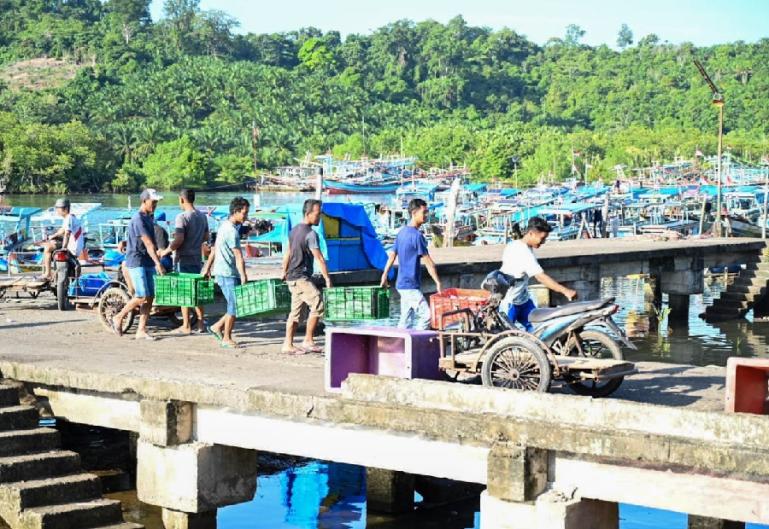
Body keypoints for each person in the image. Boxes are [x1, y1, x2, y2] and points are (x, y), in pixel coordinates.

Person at [500, 217, 577, 332]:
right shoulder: (522, 251)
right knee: (505, 338)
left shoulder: (516, 245)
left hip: (524, 300)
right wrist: (565, 291)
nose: (543, 242)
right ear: (531, 234)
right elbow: (540, 277)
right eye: (542, 238)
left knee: (538, 331)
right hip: (509, 302)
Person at [112, 189, 166, 340]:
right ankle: (119, 316)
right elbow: (148, 243)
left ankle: (141, 329)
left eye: (156, 202)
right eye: (153, 202)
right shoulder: (138, 219)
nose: (155, 205)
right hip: (136, 261)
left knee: (150, 297)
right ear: (144, 201)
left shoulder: (149, 217)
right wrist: (158, 263)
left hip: (147, 260)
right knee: (141, 295)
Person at [380, 198, 442, 330]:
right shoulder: (416, 236)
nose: (426, 215)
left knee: (405, 321)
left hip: (402, 284)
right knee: (427, 316)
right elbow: (429, 262)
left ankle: (399, 346)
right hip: (409, 285)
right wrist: (437, 282)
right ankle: (416, 342)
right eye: (424, 212)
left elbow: (392, 255)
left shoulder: (401, 232)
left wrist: (384, 275)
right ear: (414, 213)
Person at [281, 199, 331, 354]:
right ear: (308, 214)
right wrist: (328, 279)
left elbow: (287, 253)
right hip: (300, 277)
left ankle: (287, 345)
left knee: (295, 313)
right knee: (318, 304)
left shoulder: (294, 230)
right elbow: (320, 258)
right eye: (317, 214)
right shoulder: (311, 234)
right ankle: (308, 341)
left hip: (292, 277)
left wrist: (284, 271)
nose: (319, 217)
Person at [160, 189, 209, 334]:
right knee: (197, 292)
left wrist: (166, 251)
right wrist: (195, 240)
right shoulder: (202, 216)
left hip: (184, 258)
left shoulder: (181, 217)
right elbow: (206, 236)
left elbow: (179, 240)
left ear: (181, 200)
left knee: (184, 292)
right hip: (196, 258)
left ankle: (186, 325)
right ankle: (200, 324)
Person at [202, 196, 249, 349]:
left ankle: (217, 327)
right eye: (244, 213)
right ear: (235, 212)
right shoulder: (232, 231)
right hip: (228, 273)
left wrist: (208, 268)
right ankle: (227, 338)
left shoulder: (223, 226)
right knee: (234, 307)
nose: (246, 216)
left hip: (221, 272)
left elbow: (214, 250)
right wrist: (243, 275)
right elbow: (238, 256)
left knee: (233, 306)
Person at [41, 198, 84, 280]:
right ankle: (52, 271)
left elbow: (67, 234)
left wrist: (64, 248)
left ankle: (47, 273)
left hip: (72, 247)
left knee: (47, 247)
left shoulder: (68, 218)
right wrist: (53, 236)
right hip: (75, 246)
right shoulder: (70, 217)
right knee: (52, 241)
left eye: (58, 208)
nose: (57, 210)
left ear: (66, 209)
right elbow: (62, 230)